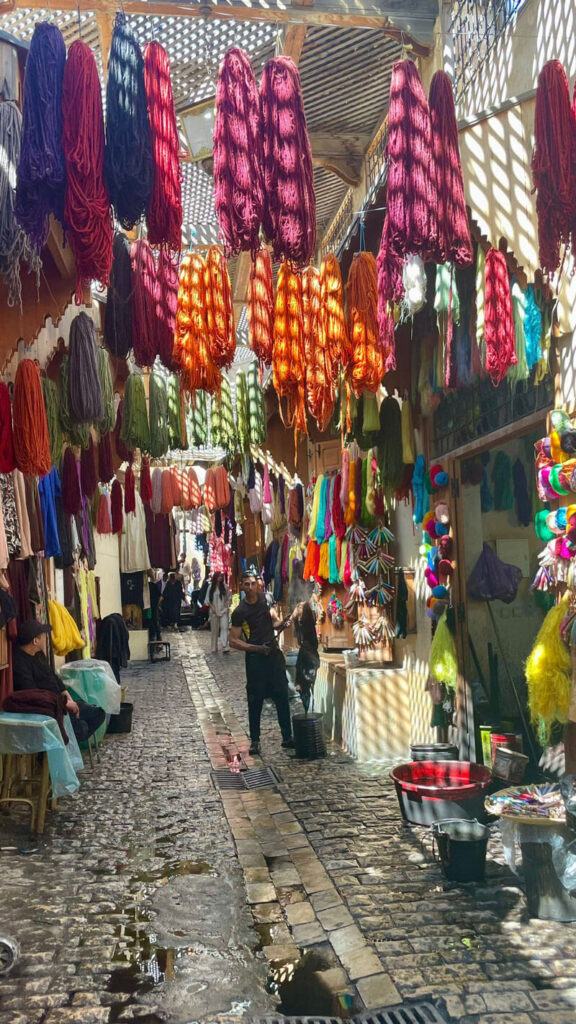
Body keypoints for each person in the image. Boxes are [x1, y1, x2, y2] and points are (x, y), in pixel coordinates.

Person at [230, 568, 294, 756]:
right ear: (241, 586)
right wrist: (256, 649)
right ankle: (255, 741)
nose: (250, 587)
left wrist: (283, 624)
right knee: (255, 700)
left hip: (273, 656)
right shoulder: (240, 611)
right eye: (246, 584)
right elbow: (233, 641)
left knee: (282, 695)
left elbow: (274, 621)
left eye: (253, 583)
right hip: (256, 660)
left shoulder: (266, 599)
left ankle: (287, 737)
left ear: (258, 583)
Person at [12, 621, 105, 742]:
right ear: (35, 641)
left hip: (61, 703)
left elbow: (53, 677)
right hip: (50, 710)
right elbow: (34, 695)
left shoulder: (38, 655)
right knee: (81, 728)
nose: (46, 638)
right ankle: (70, 738)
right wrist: (64, 704)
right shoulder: (19, 663)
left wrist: (67, 696)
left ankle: (72, 738)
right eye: (44, 636)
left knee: (98, 714)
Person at [293, 602, 320, 713]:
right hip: (313, 655)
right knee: (308, 685)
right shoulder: (311, 623)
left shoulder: (303, 624)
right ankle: (310, 708)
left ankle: (307, 709)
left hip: (307, 655)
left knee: (304, 686)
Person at [207, 571, 231, 654]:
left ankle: (225, 645)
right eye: (219, 576)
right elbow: (208, 599)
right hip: (214, 611)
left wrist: (227, 606)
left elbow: (229, 598)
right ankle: (214, 646)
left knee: (224, 627)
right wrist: (212, 607)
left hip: (223, 610)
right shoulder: (211, 587)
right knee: (214, 629)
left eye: (221, 576)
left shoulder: (225, 587)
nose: (220, 578)